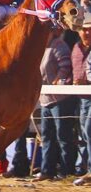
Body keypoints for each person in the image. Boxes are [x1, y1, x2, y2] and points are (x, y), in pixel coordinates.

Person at [36, 28, 76, 181]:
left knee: (63, 136)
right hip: (45, 99)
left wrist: (55, 81)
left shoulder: (59, 45)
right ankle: (47, 170)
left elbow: (65, 66)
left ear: (53, 32)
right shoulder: (41, 47)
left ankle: (67, 171)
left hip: (60, 99)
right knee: (47, 136)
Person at [71, 14, 91, 181]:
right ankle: (84, 167)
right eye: (84, 30)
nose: (86, 33)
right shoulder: (76, 48)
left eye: (89, 30)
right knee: (84, 133)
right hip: (80, 96)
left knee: (89, 130)